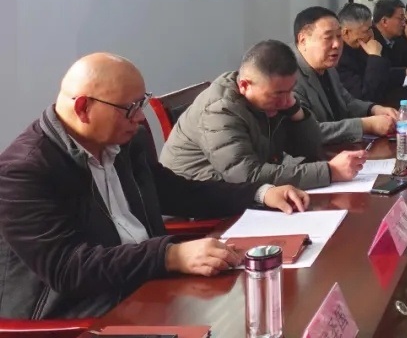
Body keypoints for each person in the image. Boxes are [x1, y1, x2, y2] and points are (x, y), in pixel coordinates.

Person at [0, 53, 309, 319]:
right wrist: (169, 256)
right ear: (83, 108)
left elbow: (177, 192)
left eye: (142, 104)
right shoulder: (24, 171)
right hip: (81, 312)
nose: (139, 118)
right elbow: (67, 269)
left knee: (269, 302)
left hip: (146, 283)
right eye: (130, 108)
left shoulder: (125, 140)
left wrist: (260, 192)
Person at [161, 40, 369, 190]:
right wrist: (330, 172)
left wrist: (296, 111)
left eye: (290, 90)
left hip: (240, 189)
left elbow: (308, 149)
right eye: (278, 94)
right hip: (203, 196)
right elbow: (246, 176)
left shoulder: (274, 100)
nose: (285, 100)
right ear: (245, 85)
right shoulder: (220, 110)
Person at [291, 7, 399, 144]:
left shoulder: (328, 66)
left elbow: (347, 102)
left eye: (339, 36)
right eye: (328, 38)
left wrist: (373, 109)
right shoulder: (288, 76)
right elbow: (308, 132)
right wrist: (366, 125)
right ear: (303, 40)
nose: (337, 44)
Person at [336, 2, 407, 108]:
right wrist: (375, 57)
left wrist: (403, 72)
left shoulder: (361, 45)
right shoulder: (339, 58)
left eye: (371, 28)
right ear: (346, 33)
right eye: (366, 31)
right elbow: (366, 96)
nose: (371, 34)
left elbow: (383, 75)